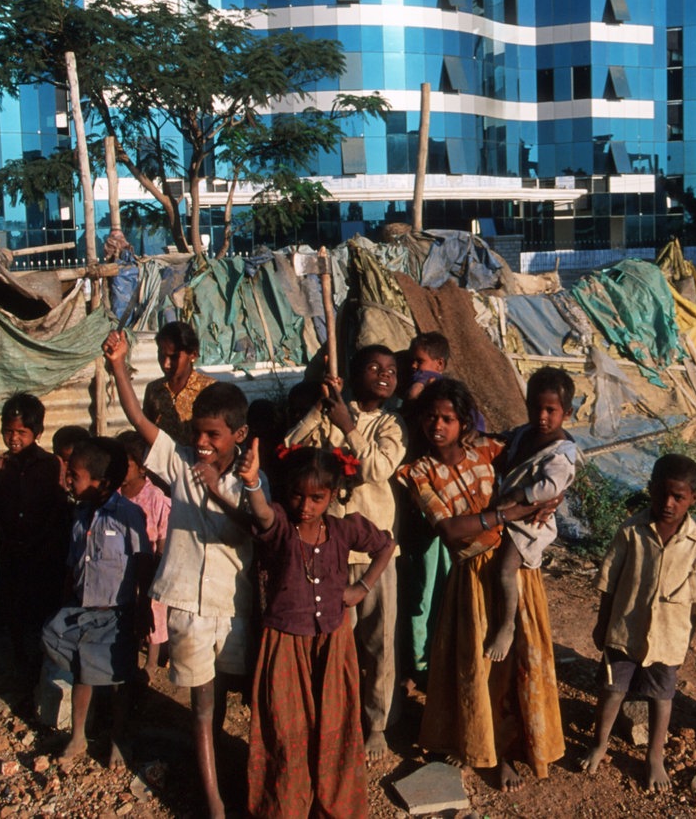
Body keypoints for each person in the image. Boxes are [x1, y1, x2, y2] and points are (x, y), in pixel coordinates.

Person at [103, 330, 259, 819]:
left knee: (233, 698)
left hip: (233, 606)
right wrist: (118, 367)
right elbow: (138, 420)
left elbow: (255, 527)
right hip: (188, 608)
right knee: (202, 703)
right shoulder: (181, 461)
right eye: (197, 433)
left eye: (213, 434)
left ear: (239, 434)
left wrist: (220, 490)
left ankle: (230, 771)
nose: (202, 443)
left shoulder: (251, 478)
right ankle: (212, 796)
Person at [398, 378, 565, 789]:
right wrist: (512, 513)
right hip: (471, 576)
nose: (438, 426)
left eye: (448, 419)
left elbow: (548, 454)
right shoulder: (420, 472)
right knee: (480, 665)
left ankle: (519, 744)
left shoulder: (488, 449)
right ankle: (488, 751)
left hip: (515, 567)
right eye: (432, 418)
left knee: (520, 662)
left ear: (463, 422)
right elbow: (452, 530)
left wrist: (554, 496)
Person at [228, 445, 393, 819]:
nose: (307, 506)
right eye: (298, 495)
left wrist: (362, 587)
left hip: (333, 644)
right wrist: (253, 483)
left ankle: (331, 806)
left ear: (333, 495)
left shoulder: (344, 528)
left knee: (334, 724)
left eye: (317, 498)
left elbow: (386, 545)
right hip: (285, 644)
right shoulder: (282, 528)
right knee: (286, 731)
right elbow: (263, 513)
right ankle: (285, 807)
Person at [281, 343, 407, 758]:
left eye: (390, 369)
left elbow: (377, 469)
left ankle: (377, 725)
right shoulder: (331, 411)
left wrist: (348, 425)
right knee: (333, 642)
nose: (384, 374)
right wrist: (324, 410)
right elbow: (291, 446)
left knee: (379, 643)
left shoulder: (392, 425)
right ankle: (332, 718)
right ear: (354, 374)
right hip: (330, 552)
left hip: (375, 555)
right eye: (374, 367)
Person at [581, 453, 696, 792]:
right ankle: (600, 744)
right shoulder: (631, 531)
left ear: (693, 498)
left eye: (678, 496)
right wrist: (602, 624)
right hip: (624, 630)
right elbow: (609, 581)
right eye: (662, 494)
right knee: (611, 689)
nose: (668, 503)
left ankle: (654, 756)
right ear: (649, 490)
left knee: (662, 697)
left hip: (668, 637)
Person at [42, 437, 152, 769]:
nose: (67, 481)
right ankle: (78, 735)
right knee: (82, 674)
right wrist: (66, 600)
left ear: (101, 483)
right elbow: (72, 562)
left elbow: (144, 562)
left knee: (119, 681)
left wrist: (144, 608)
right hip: (81, 609)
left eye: (74, 475)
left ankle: (119, 737)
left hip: (116, 614)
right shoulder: (79, 514)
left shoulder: (129, 515)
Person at [485, 367, 579, 663]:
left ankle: (507, 624)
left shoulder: (560, 454)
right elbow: (506, 441)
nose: (542, 416)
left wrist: (520, 495)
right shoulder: (526, 433)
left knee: (506, 568)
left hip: (529, 522)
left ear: (567, 412)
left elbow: (551, 486)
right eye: (535, 408)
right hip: (507, 509)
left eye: (550, 410)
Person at [0, 391, 68, 667]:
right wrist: (5, 538)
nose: (14, 438)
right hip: (12, 551)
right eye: (8, 431)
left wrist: (40, 541)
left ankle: (43, 664)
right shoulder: (0, 466)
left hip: (42, 552)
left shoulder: (52, 465)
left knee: (42, 610)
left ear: (38, 432)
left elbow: (58, 509)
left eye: (21, 431)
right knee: (14, 612)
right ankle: (19, 664)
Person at [118, 430, 172, 672]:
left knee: (154, 611)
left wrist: (159, 563)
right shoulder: (114, 496)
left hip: (148, 565)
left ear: (142, 468)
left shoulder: (155, 497)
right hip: (121, 565)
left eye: (125, 465)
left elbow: (162, 534)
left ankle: (151, 661)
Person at [143, 321, 216, 444]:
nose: (166, 364)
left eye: (174, 357)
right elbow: (145, 429)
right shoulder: (153, 390)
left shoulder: (209, 390)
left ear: (193, 354)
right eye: (161, 356)